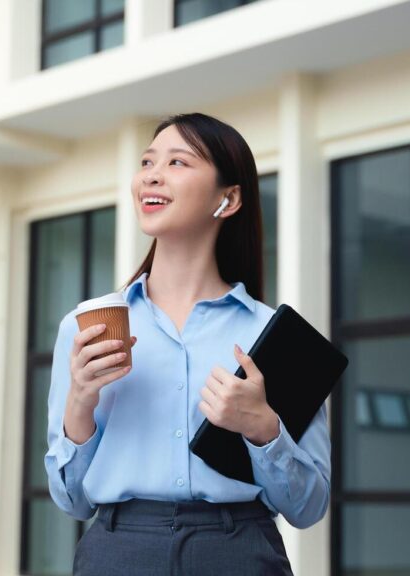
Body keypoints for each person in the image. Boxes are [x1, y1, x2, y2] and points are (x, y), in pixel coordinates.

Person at [44, 112, 330, 575]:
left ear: (228, 198)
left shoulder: (273, 338)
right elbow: (71, 499)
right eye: (147, 162)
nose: (152, 175)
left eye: (178, 162)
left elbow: (309, 506)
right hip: (117, 555)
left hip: (238, 554)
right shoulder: (86, 326)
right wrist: (80, 402)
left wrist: (263, 428)